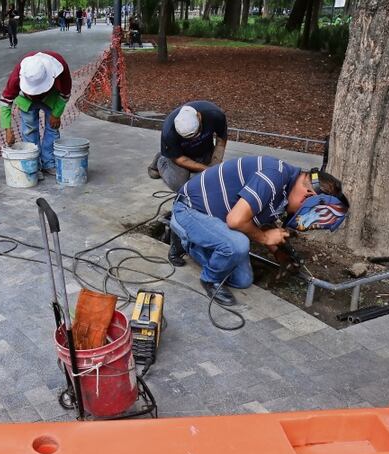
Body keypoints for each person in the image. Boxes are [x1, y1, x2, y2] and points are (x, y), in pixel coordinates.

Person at [169, 156, 350, 306]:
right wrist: (264, 238)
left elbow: (261, 222)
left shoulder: (286, 190)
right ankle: (208, 277)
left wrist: (281, 255)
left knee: (243, 280)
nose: (297, 215)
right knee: (238, 244)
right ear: (308, 196)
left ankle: (191, 244)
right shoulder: (274, 176)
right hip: (189, 210)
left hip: (215, 221)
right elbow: (236, 220)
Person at [148, 101, 228, 265]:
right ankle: (160, 160)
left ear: (199, 117)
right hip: (177, 157)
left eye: (196, 133)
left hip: (204, 153)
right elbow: (180, 159)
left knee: (208, 185)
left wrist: (214, 166)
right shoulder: (169, 130)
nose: (195, 138)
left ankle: (199, 164)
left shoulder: (214, 115)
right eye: (189, 137)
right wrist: (203, 169)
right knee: (182, 187)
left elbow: (221, 141)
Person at [0, 51, 72, 178]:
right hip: (25, 100)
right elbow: (5, 101)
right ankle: (34, 164)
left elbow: (65, 93)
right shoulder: (18, 73)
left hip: (51, 97)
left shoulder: (60, 68)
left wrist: (56, 114)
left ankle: (49, 163)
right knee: (29, 130)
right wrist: (7, 129)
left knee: (53, 129)